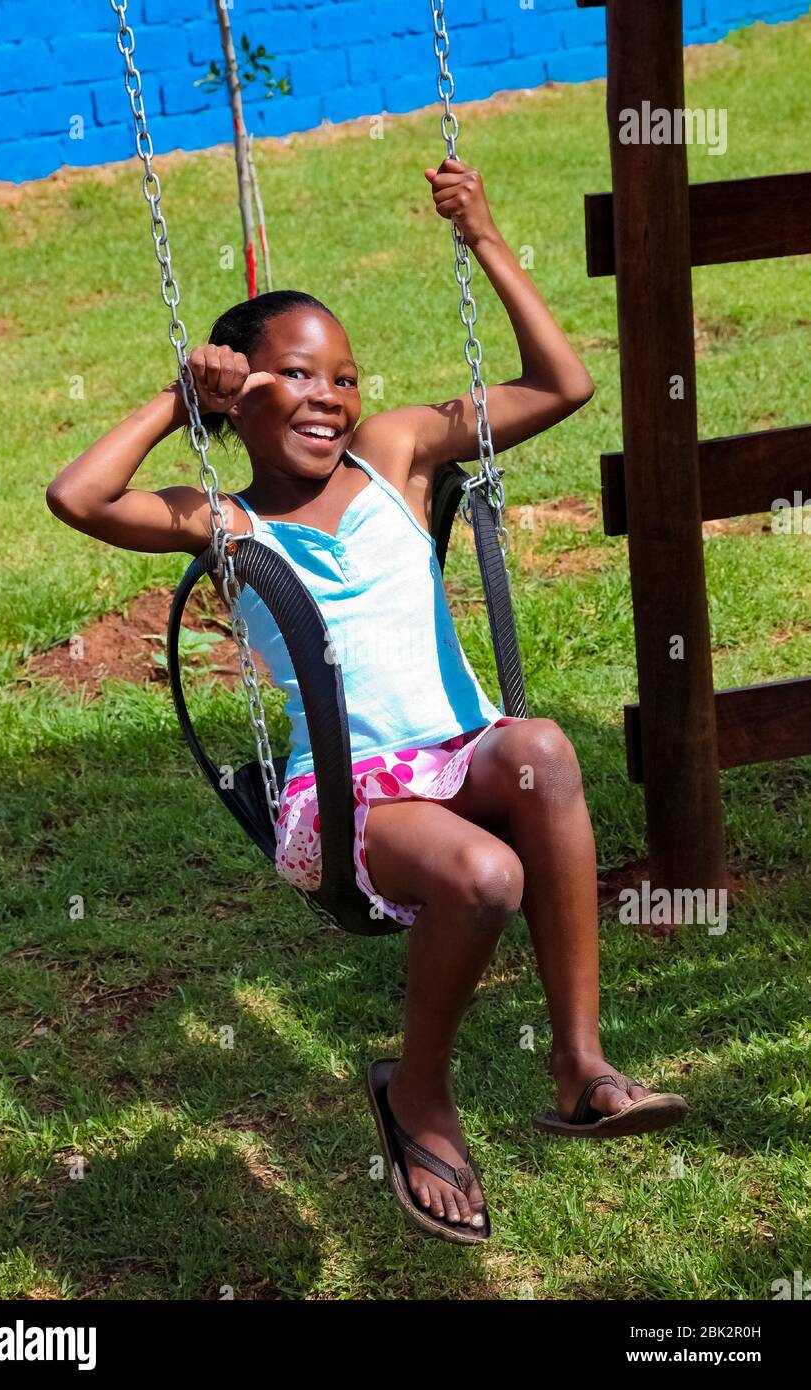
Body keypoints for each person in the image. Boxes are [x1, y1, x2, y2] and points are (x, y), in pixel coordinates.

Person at [47, 157, 687, 1245]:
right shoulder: (221, 522)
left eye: (342, 376)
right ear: (240, 392)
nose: (329, 398)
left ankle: (578, 1059)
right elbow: (77, 496)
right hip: (341, 808)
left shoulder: (395, 455)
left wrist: (483, 235)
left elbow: (562, 386)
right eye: (295, 376)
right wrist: (174, 398)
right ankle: (416, 1091)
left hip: (460, 754)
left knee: (539, 746)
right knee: (485, 876)